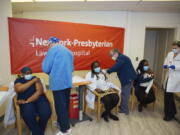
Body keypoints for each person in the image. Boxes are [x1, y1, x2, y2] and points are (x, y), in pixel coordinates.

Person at [42, 37, 74, 135]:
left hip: (58, 82)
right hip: (67, 82)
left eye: (48, 44)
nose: (49, 46)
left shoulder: (52, 50)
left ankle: (65, 129)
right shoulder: (69, 51)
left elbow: (45, 68)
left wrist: (53, 73)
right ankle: (61, 122)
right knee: (65, 104)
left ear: (51, 43)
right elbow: (71, 68)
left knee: (60, 106)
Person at [14, 67, 51, 135]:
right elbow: (19, 89)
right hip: (24, 100)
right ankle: (38, 132)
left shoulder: (36, 78)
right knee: (28, 113)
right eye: (27, 73)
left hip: (38, 99)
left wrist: (27, 101)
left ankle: (37, 131)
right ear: (22, 74)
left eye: (30, 73)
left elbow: (39, 91)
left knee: (46, 112)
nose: (29, 75)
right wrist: (32, 81)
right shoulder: (18, 80)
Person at [107, 48, 137, 115]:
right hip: (126, 78)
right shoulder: (121, 58)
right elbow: (118, 68)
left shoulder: (122, 58)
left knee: (125, 95)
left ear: (116, 53)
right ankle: (122, 106)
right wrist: (110, 70)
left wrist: (108, 71)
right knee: (124, 93)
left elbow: (117, 66)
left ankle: (124, 110)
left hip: (128, 79)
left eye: (112, 55)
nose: (112, 57)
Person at [163, 41, 180, 121]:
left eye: (175, 48)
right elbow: (166, 60)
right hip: (169, 76)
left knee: (168, 95)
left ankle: (169, 114)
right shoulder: (170, 54)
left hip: (176, 78)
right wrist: (165, 65)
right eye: (173, 48)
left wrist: (175, 67)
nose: (174, 49)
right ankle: (172, 111)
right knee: (167, 95)